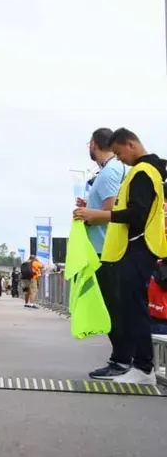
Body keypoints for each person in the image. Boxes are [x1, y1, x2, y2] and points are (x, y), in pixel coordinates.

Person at [75, 128, 167, 385]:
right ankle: (140, 366)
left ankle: (143, 367)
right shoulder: (149, 171)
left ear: (131, 144)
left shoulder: (142, 173)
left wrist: (99, 216)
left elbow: (137, 215)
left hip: (137, 247)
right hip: (138, 248)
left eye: (119, 153)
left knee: (133, 308)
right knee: (131, 307)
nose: (120, 159)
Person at [75, 127, 130, 380]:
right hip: (109, 249)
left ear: (94, 144)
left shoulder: (109, 172)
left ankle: (121, 361)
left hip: (107, 251)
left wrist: (89, 216)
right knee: (115, 306)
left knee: (113, 308)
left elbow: (112, 213)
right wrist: (91, 209)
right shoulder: (112, 171)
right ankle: (121, 358)